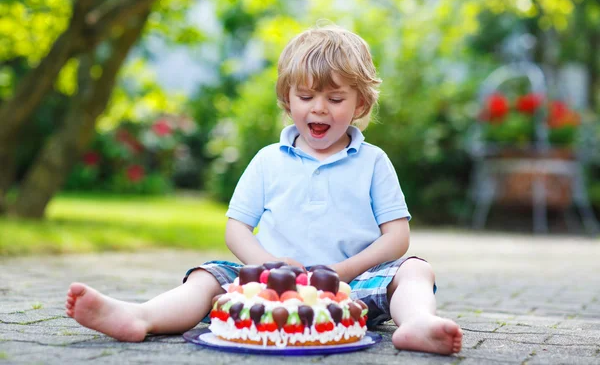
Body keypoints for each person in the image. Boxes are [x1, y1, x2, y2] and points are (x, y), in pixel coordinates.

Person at [65, 24, 463, 355]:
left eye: (335, 98)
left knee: (415, 268)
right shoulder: (268, 160)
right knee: (209, 276)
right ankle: (141, 317)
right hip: (268, 286)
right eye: (306, 97)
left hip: (352, 288)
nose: (319, 109)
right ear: (288, 101)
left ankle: (417, 324)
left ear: (360, 103)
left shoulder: (373, 161)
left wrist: (343, 270)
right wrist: (270, 265)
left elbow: (397, 237)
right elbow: (236, 229)